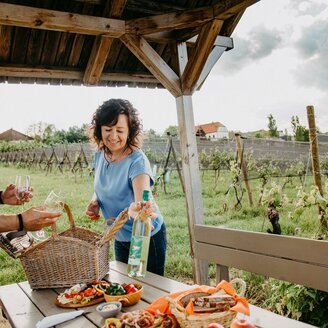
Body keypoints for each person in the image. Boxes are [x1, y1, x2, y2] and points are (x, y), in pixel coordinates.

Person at [86, 98, 167, 276]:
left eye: (120, 130)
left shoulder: (137, 161)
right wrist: (95, 201)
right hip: (119, 235)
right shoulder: (100, 155)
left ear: (130, 131)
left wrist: (137, 209)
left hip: (143, 236)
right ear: (99, 129)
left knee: (145, 290)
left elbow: (143, 203)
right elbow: (104, 184)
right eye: (108, 129)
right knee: (125, 289)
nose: (113, 136)